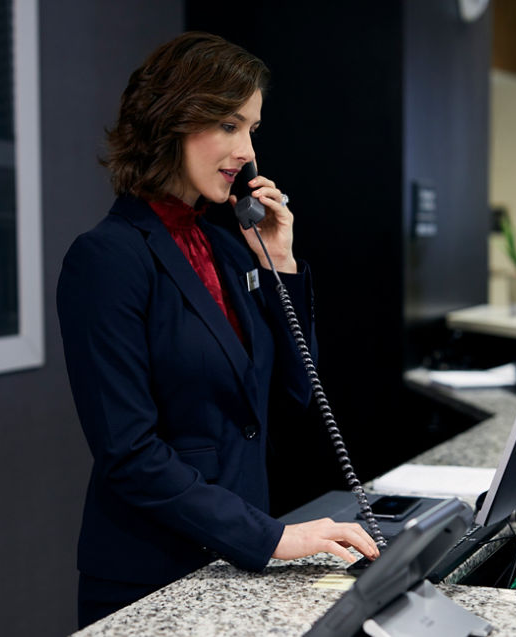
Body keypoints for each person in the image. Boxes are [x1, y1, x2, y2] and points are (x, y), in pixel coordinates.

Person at [57, 32, 379, 628]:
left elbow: (292, 393)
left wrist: (279, 265)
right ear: (171, 120)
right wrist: (271, 538)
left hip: (233, 561)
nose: (246, 150)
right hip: (152, 574)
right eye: (229, 126)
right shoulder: (106, 258)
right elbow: (129, 453)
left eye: (252, 128)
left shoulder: (228, 247)